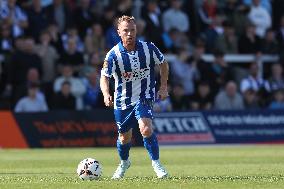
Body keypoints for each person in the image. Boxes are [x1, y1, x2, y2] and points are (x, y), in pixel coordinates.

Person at [100, 15, 169, 179]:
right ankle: (124, 163)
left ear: (136, 30)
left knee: (146, 129)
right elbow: (104, 76)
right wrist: (106, 94)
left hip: (144, 97)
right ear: (119, 32)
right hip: (122, 101)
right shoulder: (113, 55)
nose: (130, 34)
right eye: (126, 30)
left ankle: (157, 164)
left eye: (132, 30)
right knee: (124, 138)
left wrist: (164, 86)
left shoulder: (149, 48)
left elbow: (163, 64)